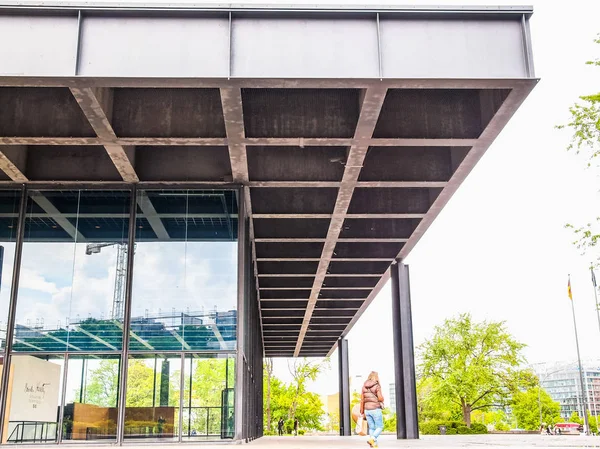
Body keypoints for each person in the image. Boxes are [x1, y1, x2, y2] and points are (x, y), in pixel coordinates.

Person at [360, 371, 385, 448]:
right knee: (380, 427)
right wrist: (382, 398)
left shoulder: (364, 386)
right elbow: (380, 398)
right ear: (376, 377)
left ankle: (374, 445)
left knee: (371, 427)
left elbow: (362, 400)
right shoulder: (377, 386)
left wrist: (362, 411)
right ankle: (373, 438)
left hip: (367, 410)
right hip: (375, 409)